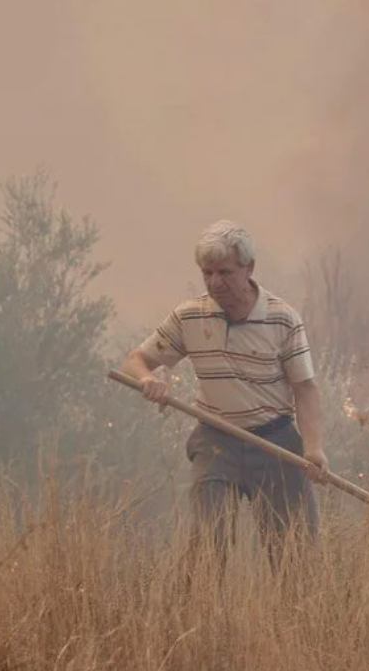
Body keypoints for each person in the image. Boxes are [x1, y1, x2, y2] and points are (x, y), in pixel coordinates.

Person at [119, 220, 329, 571]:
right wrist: (146, 380)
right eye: (208, 273)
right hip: (215, 440)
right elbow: (135, 360)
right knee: (207, 549)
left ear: (249, 269)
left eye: (225, 272)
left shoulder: (283, 320)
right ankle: (200, 620)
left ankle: (296, 622)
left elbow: (304, 389)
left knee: (295, 557)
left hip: (274, 442)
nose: (216, 282)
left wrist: (313, 448)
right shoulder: (189, 316)